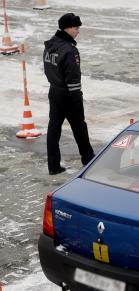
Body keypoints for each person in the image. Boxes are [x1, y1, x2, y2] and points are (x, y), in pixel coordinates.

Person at [43, 13, 94, 175]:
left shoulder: (51, 45)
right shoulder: (70, 51)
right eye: (76, 27)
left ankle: (53, 166)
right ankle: (88, 160)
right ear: (68, 28)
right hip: (68, 95)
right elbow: (73, 77)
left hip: (54, 91)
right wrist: (77, 99)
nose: (78, 31)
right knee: (80, 127)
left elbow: (48, 69)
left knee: (54, 129)